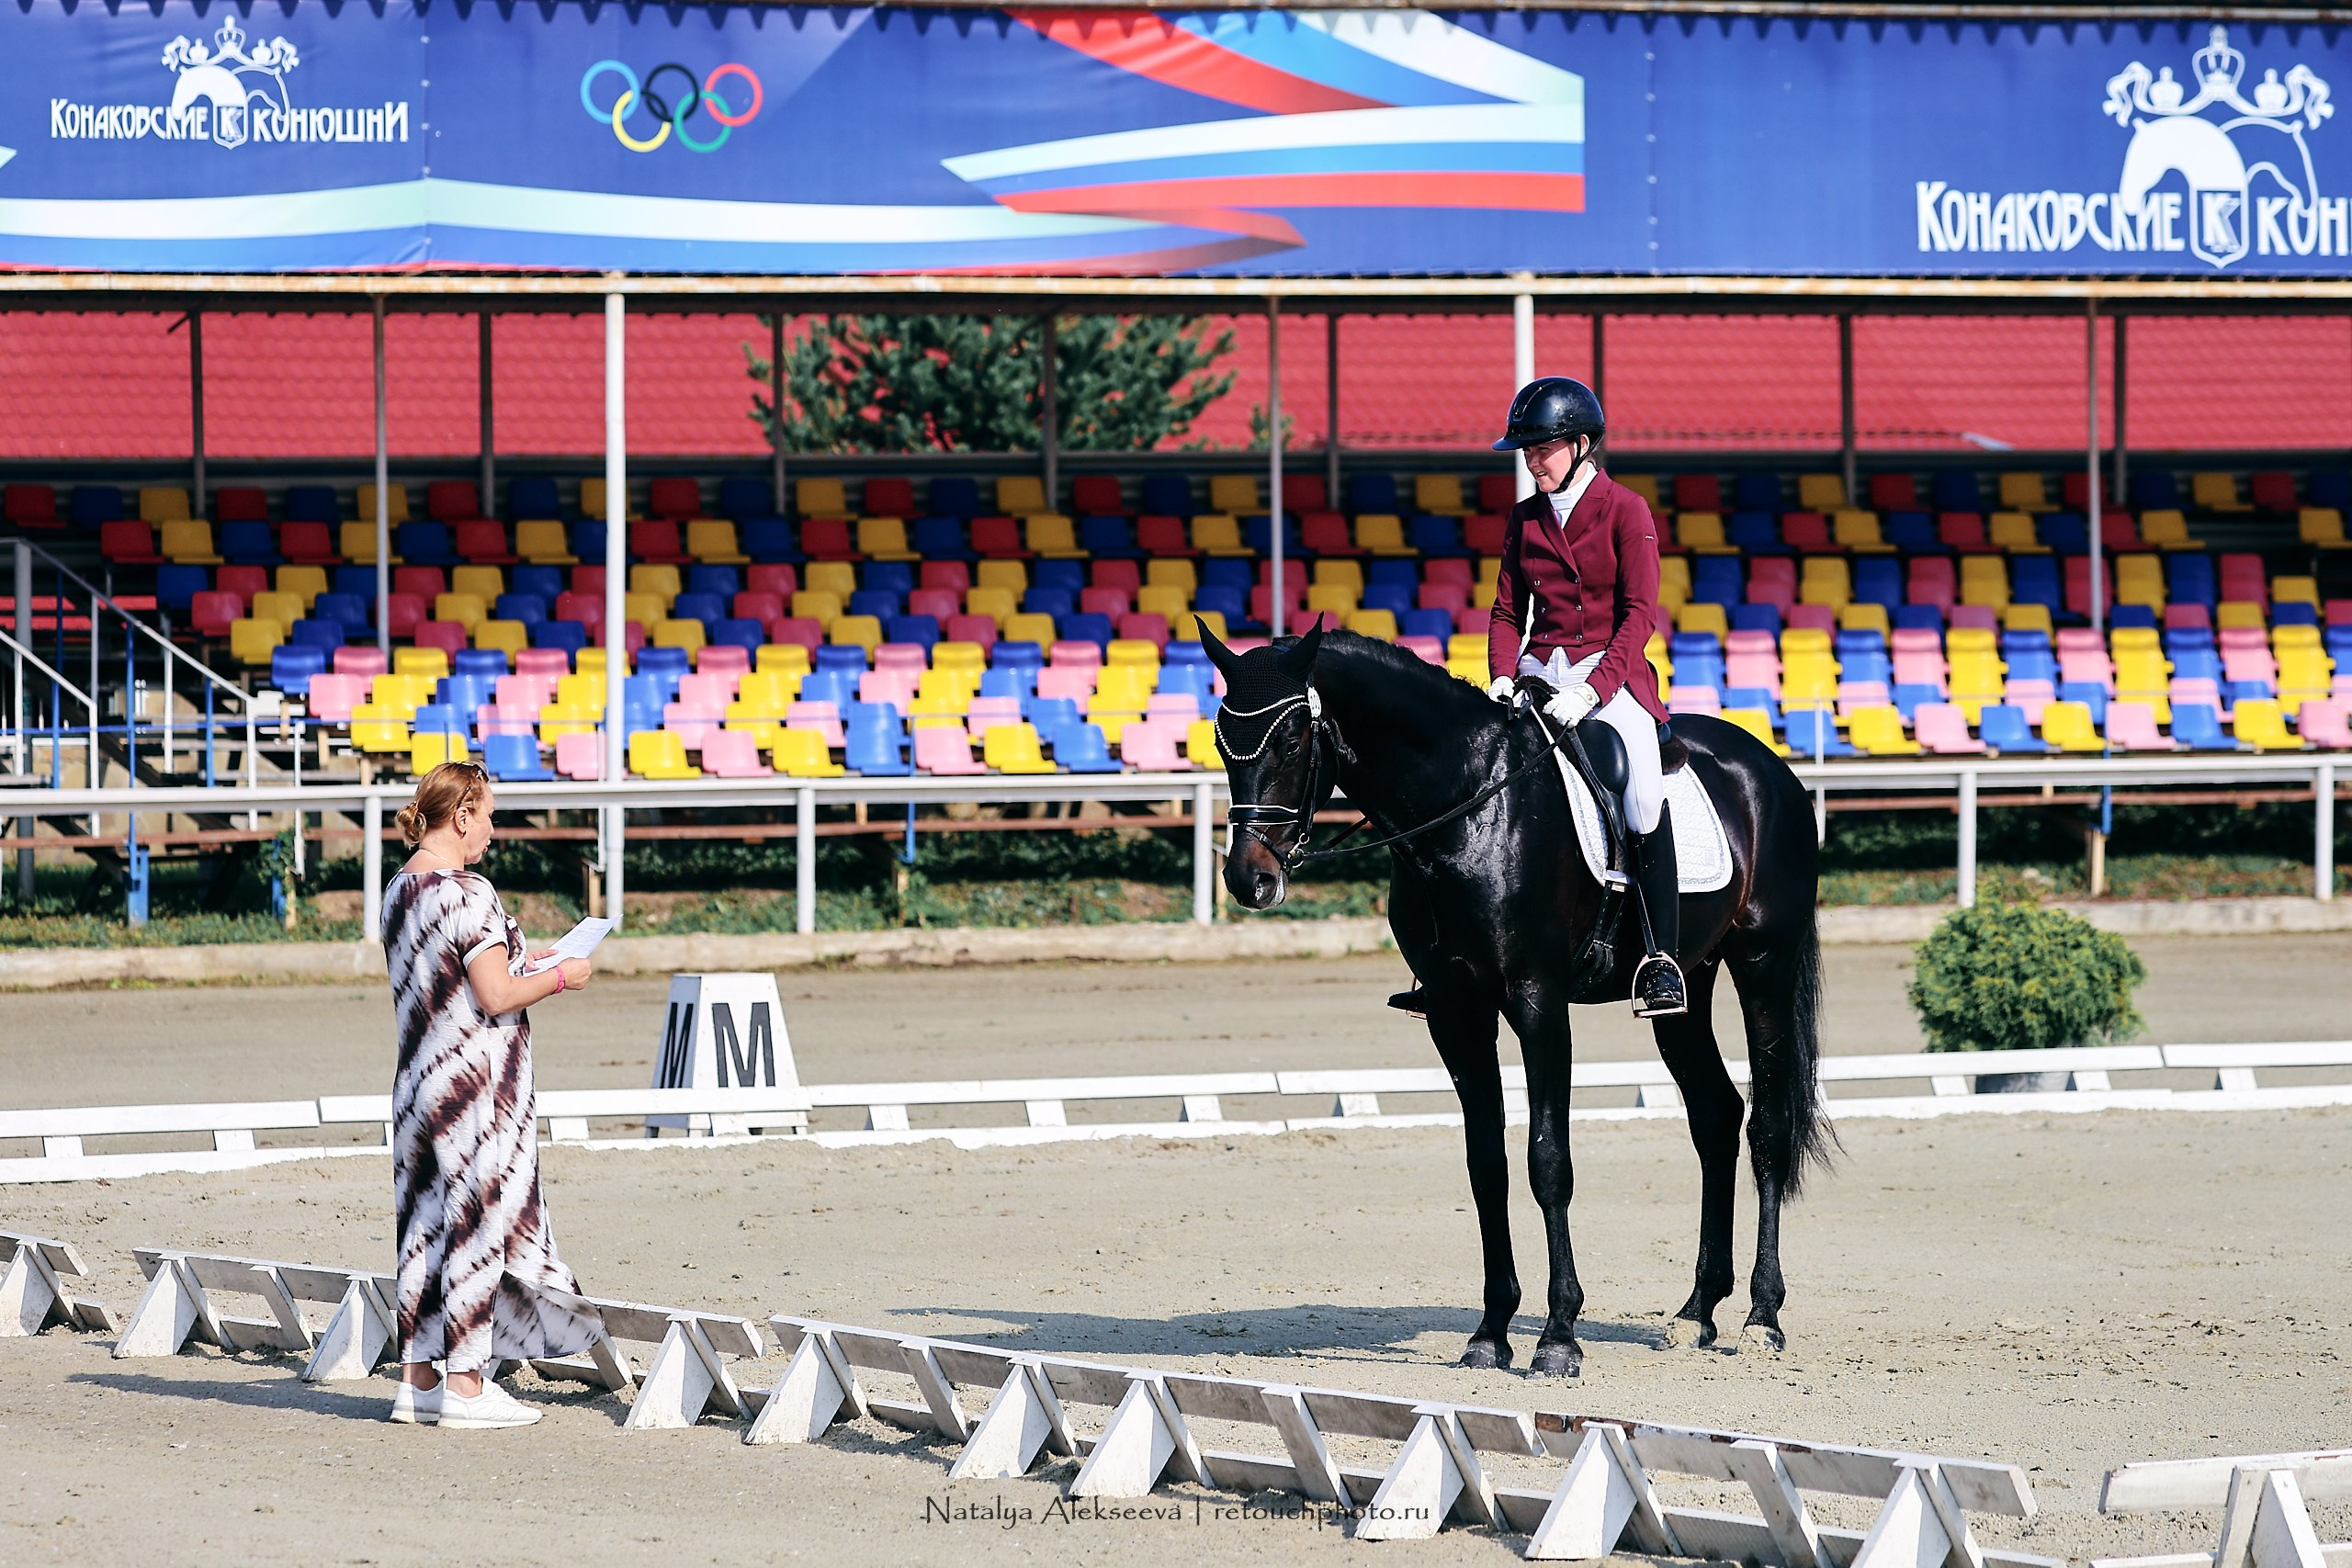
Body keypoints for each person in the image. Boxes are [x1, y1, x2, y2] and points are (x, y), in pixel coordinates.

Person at [380, 760, 602, 1428]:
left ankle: (418, 1378)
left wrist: (525, 965)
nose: (493, 830)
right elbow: (496, 993)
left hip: (417, 1079)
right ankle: (469, 1384)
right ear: (463, 813)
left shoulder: (399, 887)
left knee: (421, 1228)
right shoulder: (469, 891)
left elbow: (460, 977)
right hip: (474, 1086)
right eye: (491, 815)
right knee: (476, 1228)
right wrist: (562, 975)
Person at [1487, 376, 1686, 1019]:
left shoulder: (1626, 510)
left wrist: (1596, 689)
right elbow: (1505, 609)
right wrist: (1499, 672)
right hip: (1539, 670)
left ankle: (1660, 958)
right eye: (1526, 450)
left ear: (1578, 444)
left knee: (1643, 793)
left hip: (1613, 674)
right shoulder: (1525, 518)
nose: (1531, 460)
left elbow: (1640, 615)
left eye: (1540, 449)